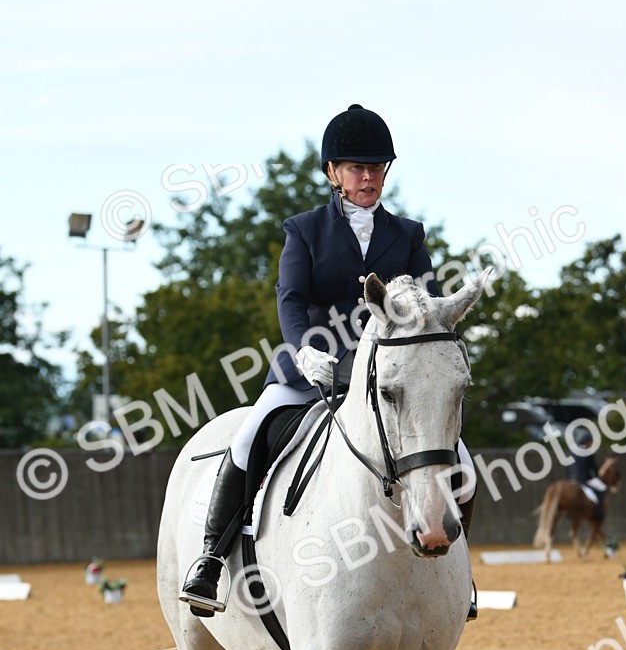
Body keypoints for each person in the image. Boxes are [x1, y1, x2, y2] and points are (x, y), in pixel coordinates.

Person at [180, 103, 478, 618]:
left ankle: (457, 575)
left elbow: (425, 306)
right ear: (333, 174)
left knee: (461, 459)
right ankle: (210, 558)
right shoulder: (304, 229)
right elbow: (290, 299)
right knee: (252, 436)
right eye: (357, 168)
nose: (368, 177)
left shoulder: (408, 235)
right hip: (314, 366)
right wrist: (302, 349)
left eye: (377, 167)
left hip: (389, 371)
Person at [570, 428, 607, 522]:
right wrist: (597, 477)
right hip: (586, 479)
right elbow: (593, 468)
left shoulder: (575, 451)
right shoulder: (588, 452)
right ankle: (598, 512)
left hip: (574, 478)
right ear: (587, 442)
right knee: (603, 488)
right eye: (591, 442)